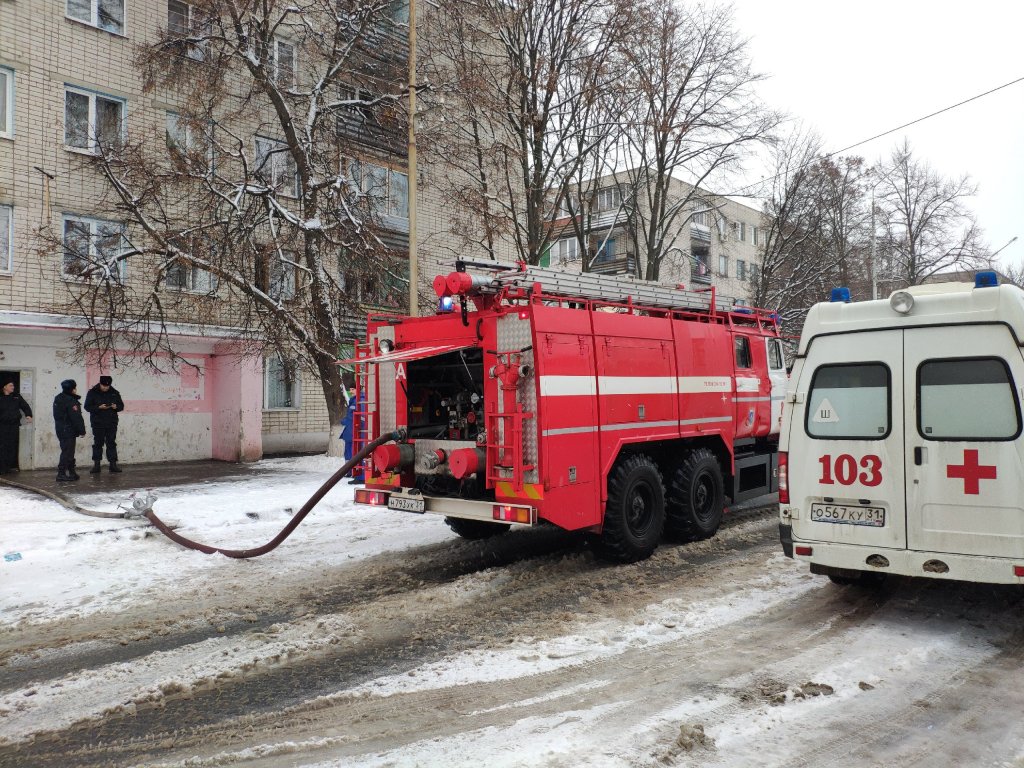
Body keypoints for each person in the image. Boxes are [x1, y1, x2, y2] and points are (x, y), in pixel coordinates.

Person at [84, 375, 124, 473]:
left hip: (111, 422)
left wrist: (116, 407)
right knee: (98, 443)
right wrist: (98, 407)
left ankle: (113, 465)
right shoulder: (92, 393)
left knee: (111, 443)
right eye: (103, 386)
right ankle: (96, 465)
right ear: (100, 383)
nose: (105, 388)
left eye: (107, 386)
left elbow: (121, 406)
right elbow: (87, 407)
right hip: (98, 423)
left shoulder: (115, 393)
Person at [53, 379, 86, 482]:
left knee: (68, 451)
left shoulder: (58, 398)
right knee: (67, 452)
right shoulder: (70, 400)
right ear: (72, 389)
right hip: (68, 429)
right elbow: (76, 417)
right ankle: (61, 473)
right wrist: (82, 430)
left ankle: (72, 472)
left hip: (61, 428)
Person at [0, 380, 33, 474]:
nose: (13, 387)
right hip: (2, 426)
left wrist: (28, 415)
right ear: (4, 387)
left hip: (13, 425)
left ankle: (10, 467)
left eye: (13, 385)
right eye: (10, 385)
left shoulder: (16, 397)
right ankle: (2, 468)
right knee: (2, 446)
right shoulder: (1, 397)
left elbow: (25, 406)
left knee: (12, 446)